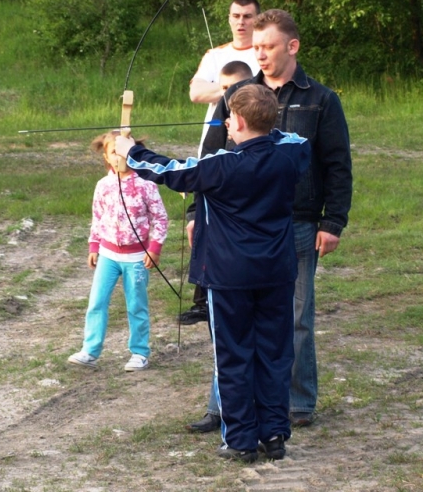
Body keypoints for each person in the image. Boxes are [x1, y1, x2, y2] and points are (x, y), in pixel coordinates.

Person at [115, 84, 311, 462]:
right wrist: (263, 124)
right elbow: (292, 137)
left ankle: (239, 440)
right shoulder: (291, 153)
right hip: (276, 272)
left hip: (229, 278)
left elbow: (169, 171)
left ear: (240, 122)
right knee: (274, 353)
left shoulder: (220, 167)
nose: (226, 124)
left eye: (230, 118)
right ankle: (273, 435)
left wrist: (130, 151)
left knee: (233, 357)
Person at [196, 8, 353, 428]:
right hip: (234, 226)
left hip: (298, 223)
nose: (260, 54)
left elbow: (337, 164)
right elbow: (210, 157)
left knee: (296, 318)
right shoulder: (238, 94)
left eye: (268, 46)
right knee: (232, 321)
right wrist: (196, 212)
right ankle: (223, 408)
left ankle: (296, 403)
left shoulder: (321, 100)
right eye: (257, 47)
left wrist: (332, 222)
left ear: (292, 46)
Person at [178, 0, 261, 327]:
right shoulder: (215, 55)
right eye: (236, 15)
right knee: (204, 220)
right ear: (229, 18)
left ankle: (243, 292)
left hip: (248, 144)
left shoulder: (262, 53)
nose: (241, 22)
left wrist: (232, 87)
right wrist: (236, 89)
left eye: (248, 16)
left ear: (257, 19)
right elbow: (196, 93)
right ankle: (202, 300)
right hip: (212, 144)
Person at [67, 130, 168, 372]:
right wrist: (94, 245)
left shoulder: (146, 184)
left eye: (124, 151)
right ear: (106, 157)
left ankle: (139, 353)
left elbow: (160, 219)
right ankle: (90, 350)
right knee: (97, 302)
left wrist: (154, 248)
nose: (119, 156)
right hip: (108, 256)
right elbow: (98, 217)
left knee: (136, 305)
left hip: (136, 258)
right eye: (114, 152)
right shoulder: (103, 185)